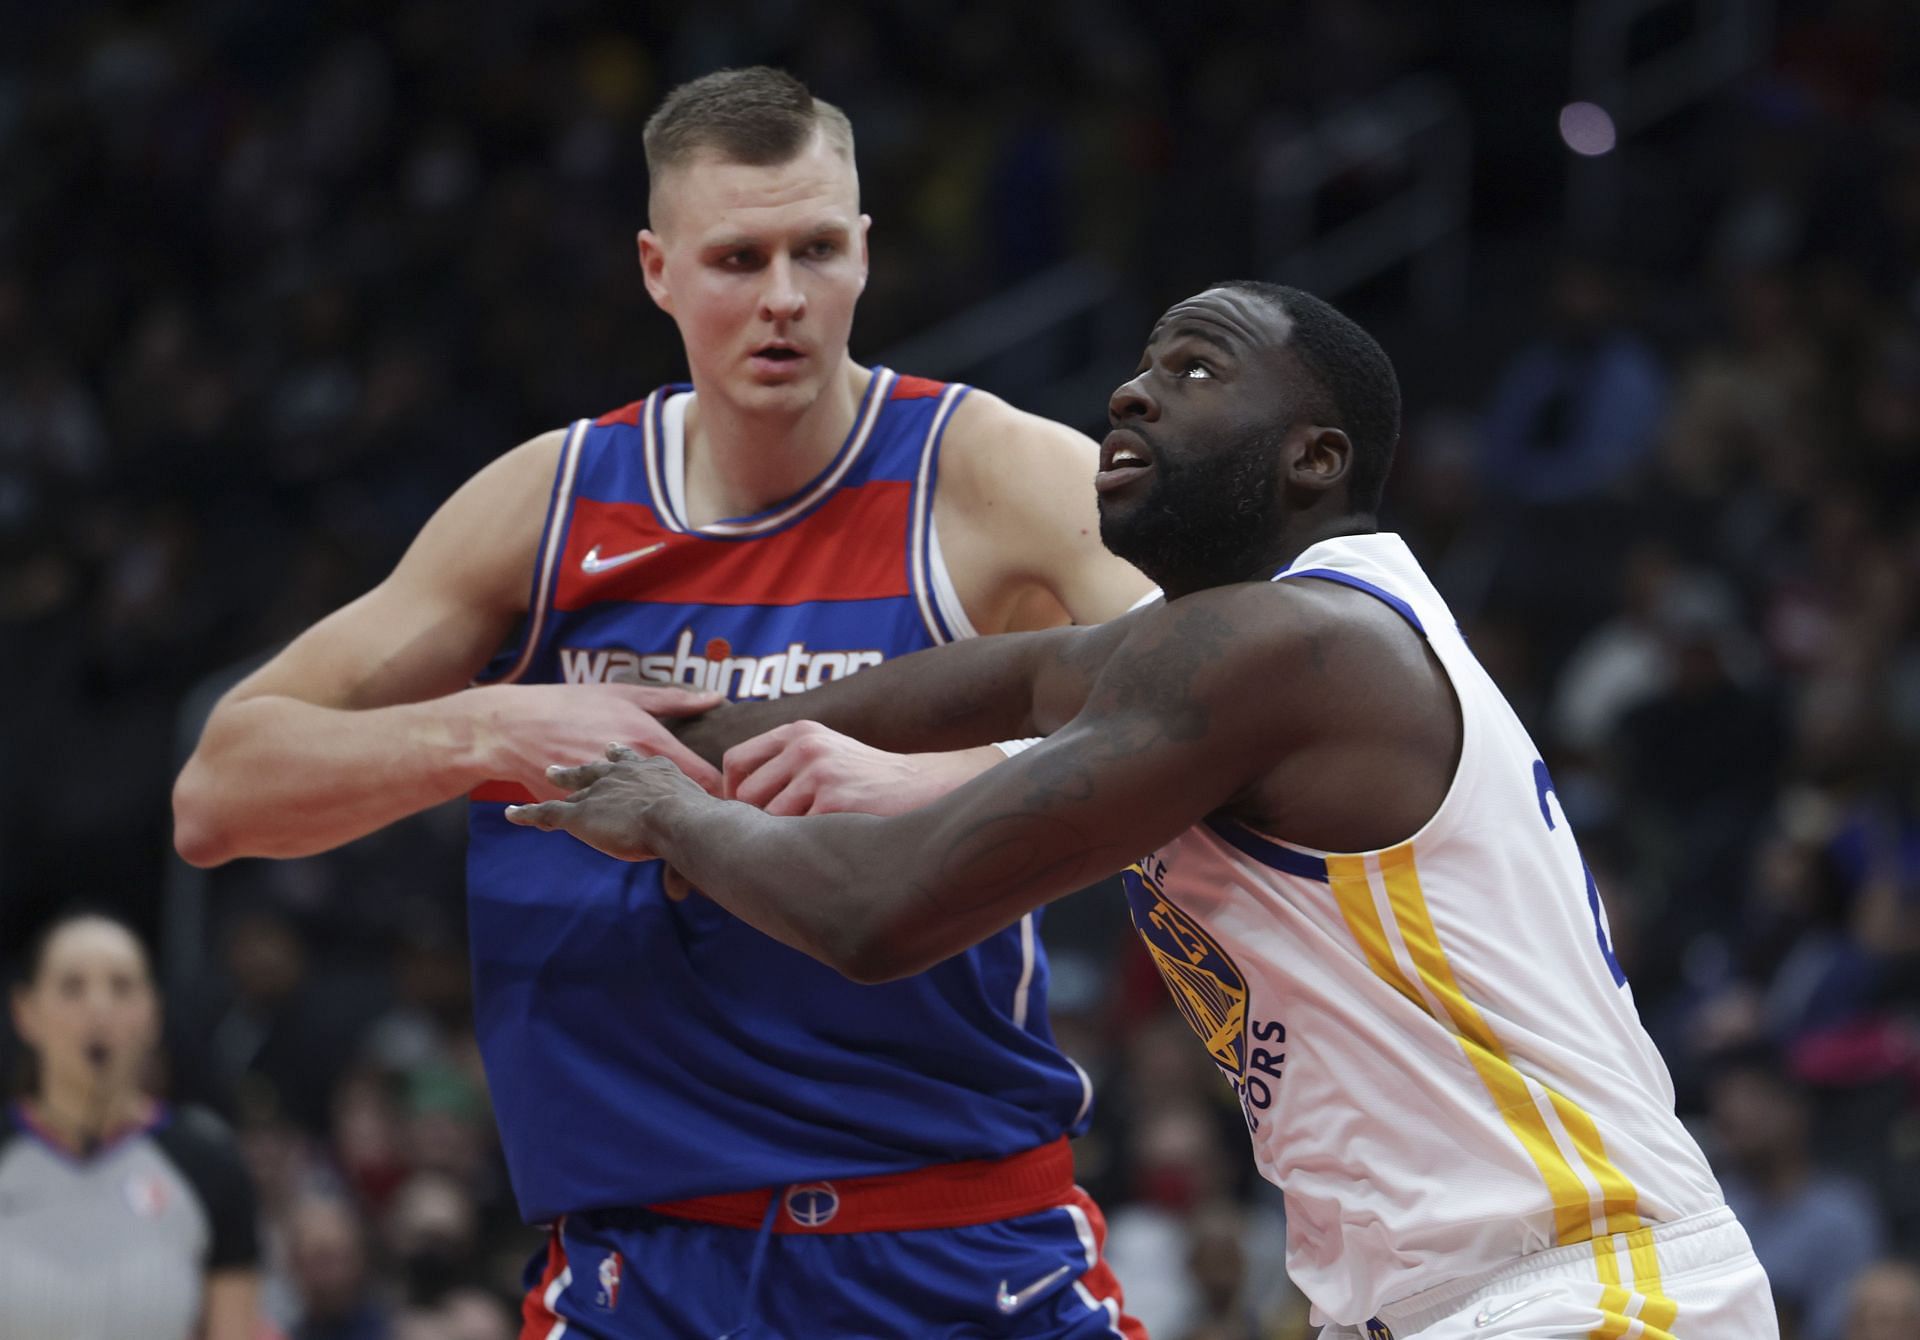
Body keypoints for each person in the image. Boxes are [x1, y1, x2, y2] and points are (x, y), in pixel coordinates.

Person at [511, 281, 1782, 1339]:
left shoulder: (1290, 644)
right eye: (1139, 365)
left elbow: (875, 913)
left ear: (1316, 456)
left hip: (1586, 1290)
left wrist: (662, 806)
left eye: (1194, 369)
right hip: (1465, 1298)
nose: (1129, 393)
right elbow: (1010, 672)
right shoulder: (1246, 643)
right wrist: (691, 735)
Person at [173, 67, 1152, 1338]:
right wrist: (499, 727)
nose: (785, 299)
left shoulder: (993, 472)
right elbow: (218, 790)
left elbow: (1213, 703)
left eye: (817, 250)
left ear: (866, 250)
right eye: (739, 258)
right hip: (647, 1273)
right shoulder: (553, 502)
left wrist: (945, 775)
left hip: (963, 1247)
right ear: (658, 268)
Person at [2, 909, 261, 1340]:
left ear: (152, 1014)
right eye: (72, 987)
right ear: (26, 1012)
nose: (98, 1009)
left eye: (121, 987)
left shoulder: (210, 1165)